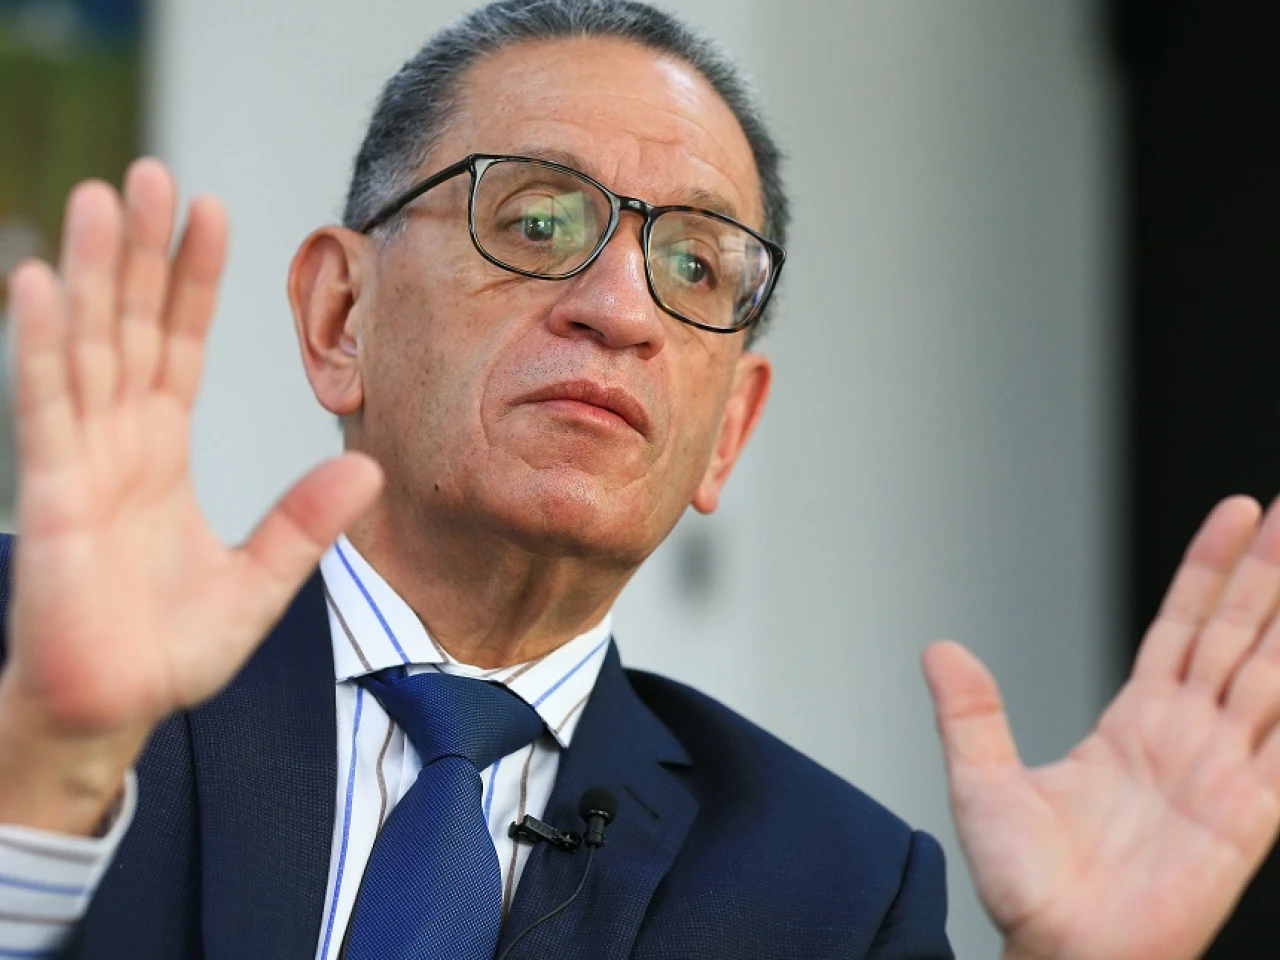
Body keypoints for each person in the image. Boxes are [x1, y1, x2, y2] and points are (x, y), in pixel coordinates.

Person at [2, 1, 1280, 957]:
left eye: (696, 268)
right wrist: (43, 779)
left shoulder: (834, 895)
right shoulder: (45, 659)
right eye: (537, 221)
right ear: (342, 316)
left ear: (727, 432)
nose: (619, 310)